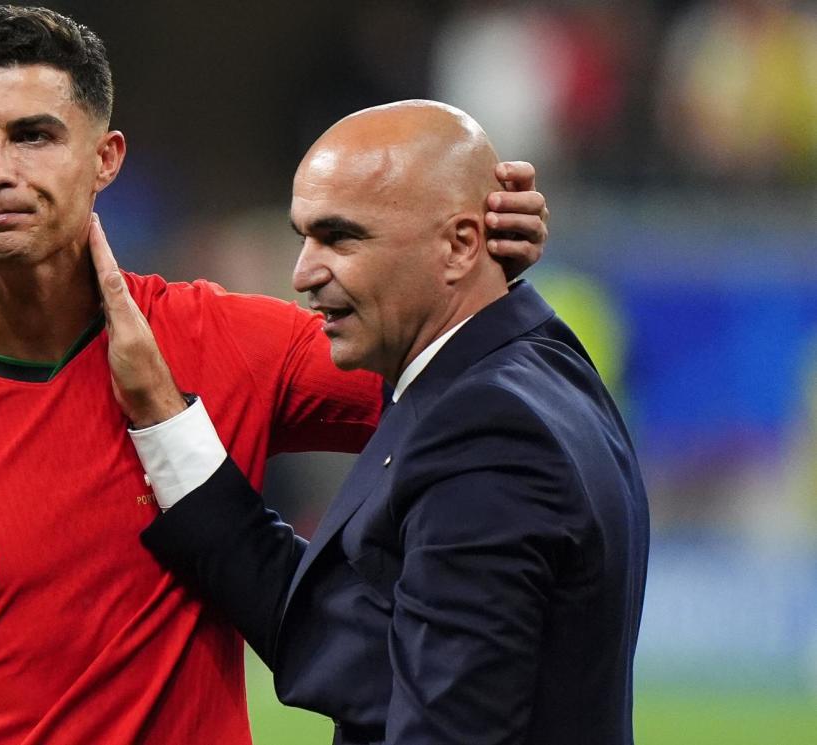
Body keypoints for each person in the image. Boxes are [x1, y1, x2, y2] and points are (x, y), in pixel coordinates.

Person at [0, 6, 549, 744]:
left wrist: (481, 270)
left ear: (106, 157)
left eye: (35, 135)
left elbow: (462, 398)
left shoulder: (219, 344)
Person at [94, 100, 648, 745]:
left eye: (340, 238)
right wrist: (166, 425)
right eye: (303, 237)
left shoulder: (488, 429)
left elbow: (446, 727)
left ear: (462, 244)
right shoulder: (536, 366)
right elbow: (367, 651)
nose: (303, 274)